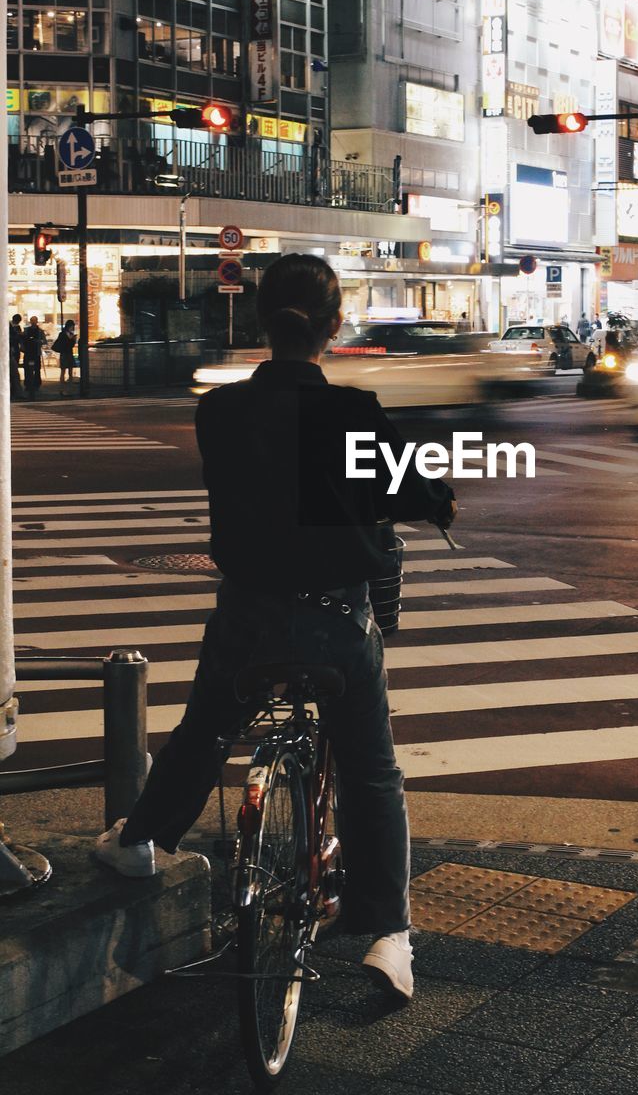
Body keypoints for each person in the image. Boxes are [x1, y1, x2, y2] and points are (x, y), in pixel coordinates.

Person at [94, 253, 455, 1002]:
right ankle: (388, 936)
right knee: (372, 771)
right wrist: (435, 500)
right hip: (336, 622)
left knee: (204, 731)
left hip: (248, 618)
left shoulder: (218, 411)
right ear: (334, 326)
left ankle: (141, 841)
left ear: (263, 322)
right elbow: (408, 489)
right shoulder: (354, 412)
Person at [21, 316, 47, 400]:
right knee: (27, 369)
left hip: (36, 352)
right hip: (28, 352)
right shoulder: (26, 330)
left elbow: (44, 341)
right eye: (32, 321)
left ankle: (36, 384)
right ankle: (28, 384)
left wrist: (39, 341)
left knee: (37, 369)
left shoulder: (40, 331)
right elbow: (22, 340)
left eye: (34, 321)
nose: (33, 322)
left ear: (37, 321)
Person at [52, 320, 77, 396]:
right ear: (69, 326)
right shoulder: (63, 334)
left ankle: (69, 390)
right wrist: (71, 340)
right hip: (65, 354)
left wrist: (73, 340)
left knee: (69, 372)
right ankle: (62, 389)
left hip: (68, 353)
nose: (72, 328)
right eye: (71, 326)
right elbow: (64, 344)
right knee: (63, 372)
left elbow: (71, 345)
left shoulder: (70, 334)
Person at [9, 313, 23, 399]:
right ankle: (15, 391)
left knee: (14, 372)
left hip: (13, 350)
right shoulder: (12, 327)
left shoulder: (15, 327)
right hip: (12, 350)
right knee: (14, 372)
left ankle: (14, 390)